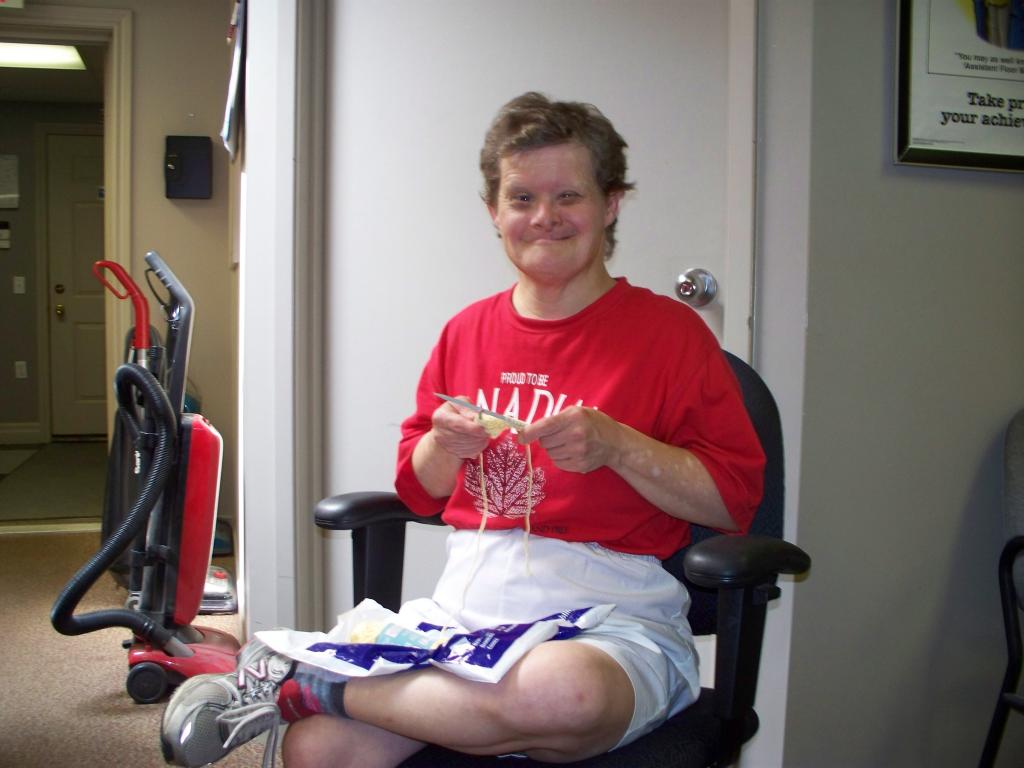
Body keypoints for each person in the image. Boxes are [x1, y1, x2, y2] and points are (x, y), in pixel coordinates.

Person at [161, 92, 765, 768]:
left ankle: (302, 680)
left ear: (611, 204)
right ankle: (317, 694)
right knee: (320, 750)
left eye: (568, 195)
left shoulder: (671, 335)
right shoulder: (467, 331)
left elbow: (732, 501)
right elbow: (418, 492)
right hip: (469, 615)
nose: (543, 216)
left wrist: (620, 445)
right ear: (493, 213)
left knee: (561, 694)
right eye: (521, 198)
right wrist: (442, 446)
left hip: (612, 619)